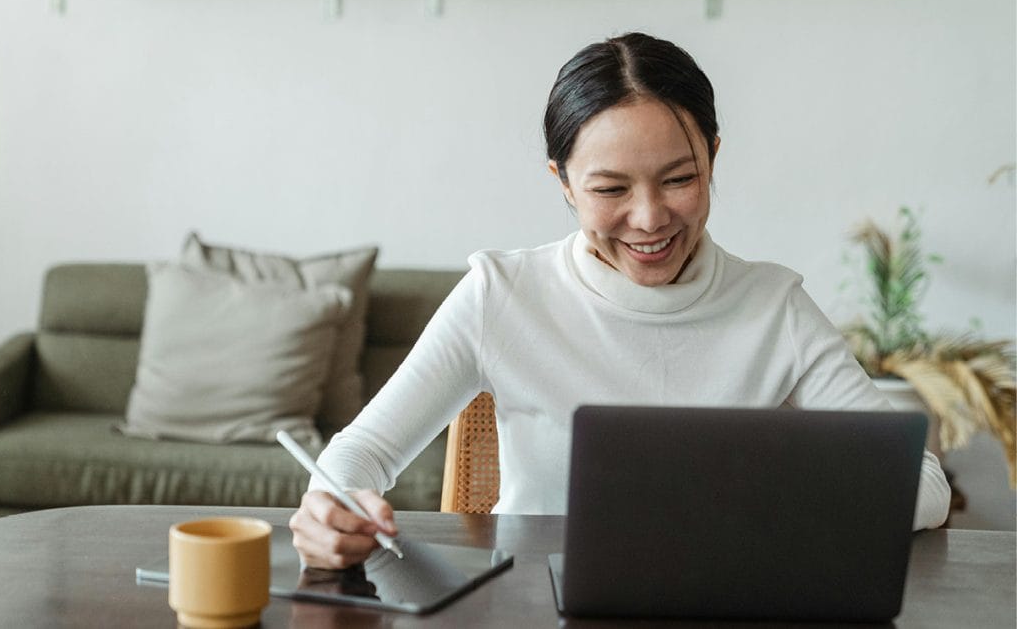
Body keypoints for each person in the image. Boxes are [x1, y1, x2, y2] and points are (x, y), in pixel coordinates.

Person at [289, 32, 951, 569]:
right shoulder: (502, 295)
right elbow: (358, 454)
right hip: (533, 603)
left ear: (713, 159)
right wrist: (330, 507)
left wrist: (779, 502)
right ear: (565, 184)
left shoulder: (774, 306)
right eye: (610, 189)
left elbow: (923, 484)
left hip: (723, 605)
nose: (649, 218)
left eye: (680, 178)